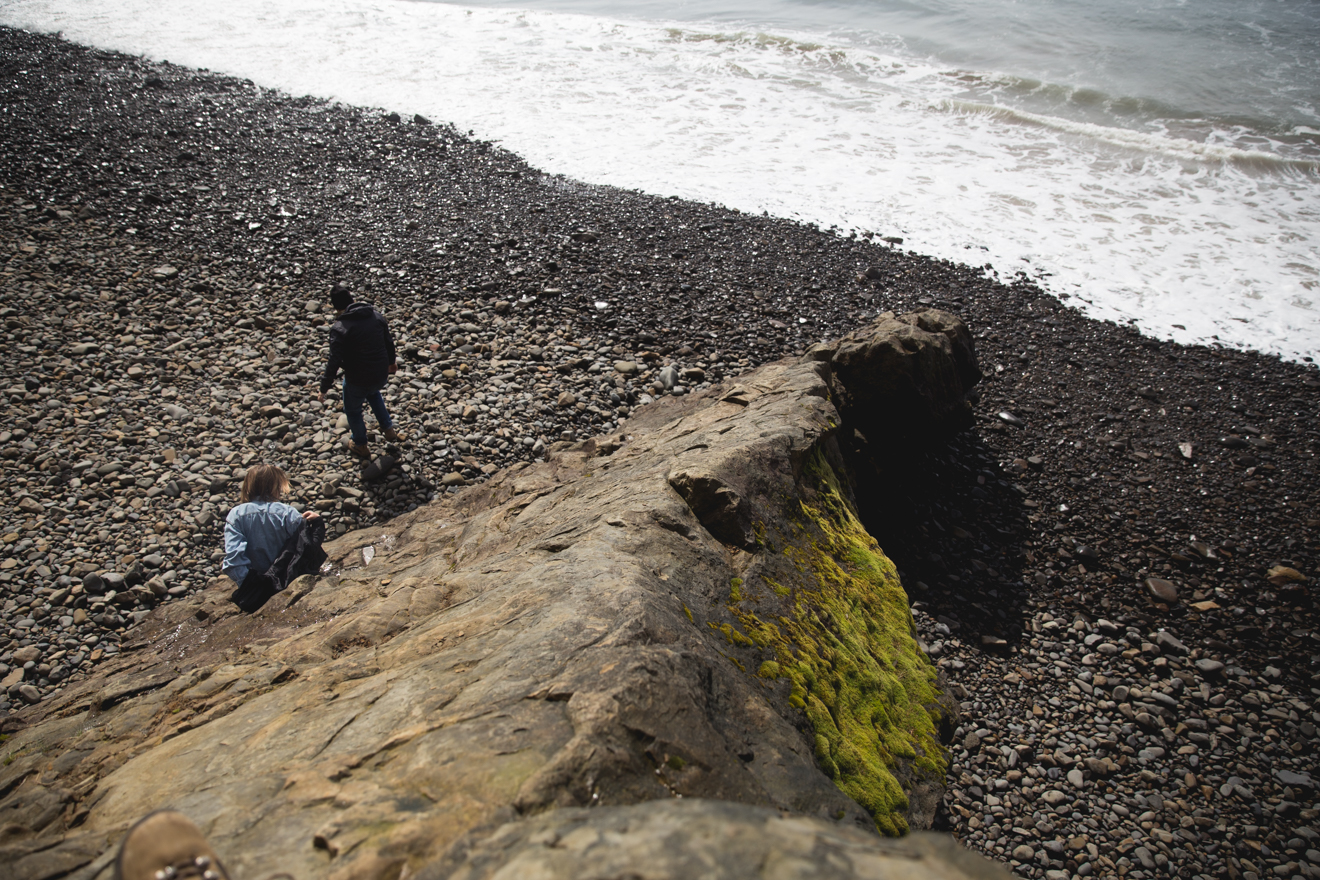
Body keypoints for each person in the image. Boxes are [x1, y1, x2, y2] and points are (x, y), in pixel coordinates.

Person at [318, 283, 403, 460]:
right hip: (380, 373)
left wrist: (324, 388)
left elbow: (334, 361)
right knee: (373, 392)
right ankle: (388, 429)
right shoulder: (376, 316)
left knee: (353, 410)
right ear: (352, 299)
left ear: (336, 307)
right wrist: (392, 363)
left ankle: (360, 445)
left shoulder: (340, 328)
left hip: (357, 378)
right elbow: (389, 342)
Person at [223, 464, 324, 611]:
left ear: (247, 486)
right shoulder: (289, 514)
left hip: (255, 589)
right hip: (288, 583)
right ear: (275, 486)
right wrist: (317, 523)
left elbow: (234, 560)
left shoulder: (236, 515)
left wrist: (249, 585)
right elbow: (307, 551)